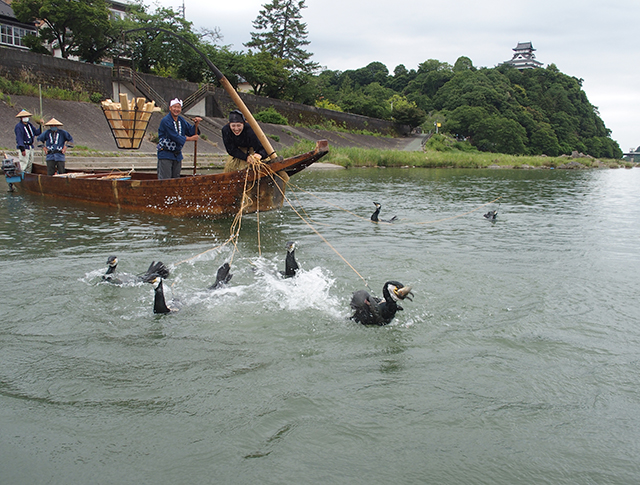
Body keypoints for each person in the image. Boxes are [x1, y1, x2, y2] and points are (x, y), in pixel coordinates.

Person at [156, 98, 201, 179]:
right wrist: (191, 139)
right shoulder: (166, 121)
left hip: (177, 155)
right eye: (174, 107)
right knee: (165, 179)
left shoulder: (181, 120)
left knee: (176, 178)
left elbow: (191, 131)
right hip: (166, 154)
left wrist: (196, 124)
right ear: (170, 108)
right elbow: (174, 136)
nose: (176, 109)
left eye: (178, 107)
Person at [14, 109, 42, 173]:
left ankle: (28, 174)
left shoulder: (29, 125)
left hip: (30, 147)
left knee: (30, 163)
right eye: (24, 117)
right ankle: (21, 175)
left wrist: (41, 126)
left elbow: (36, 132)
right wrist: (22, 148)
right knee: (24, 163)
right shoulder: (19, 126)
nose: (26, 118)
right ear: (21, 118)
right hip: (24, 147)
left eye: (27, 117)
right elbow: (19, 138)